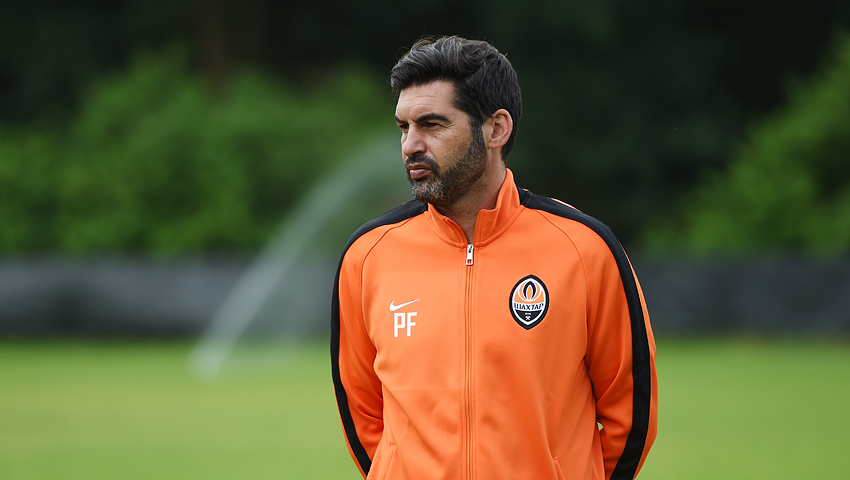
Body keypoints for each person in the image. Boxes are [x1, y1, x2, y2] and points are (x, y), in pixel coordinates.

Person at [331, 35, 657, 480]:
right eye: (404, 127)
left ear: (496, 129)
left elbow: (631, 413)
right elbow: (362, 414)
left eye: (432, 124)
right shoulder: (367, 255)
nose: (410, 145)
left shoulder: (585, 249)